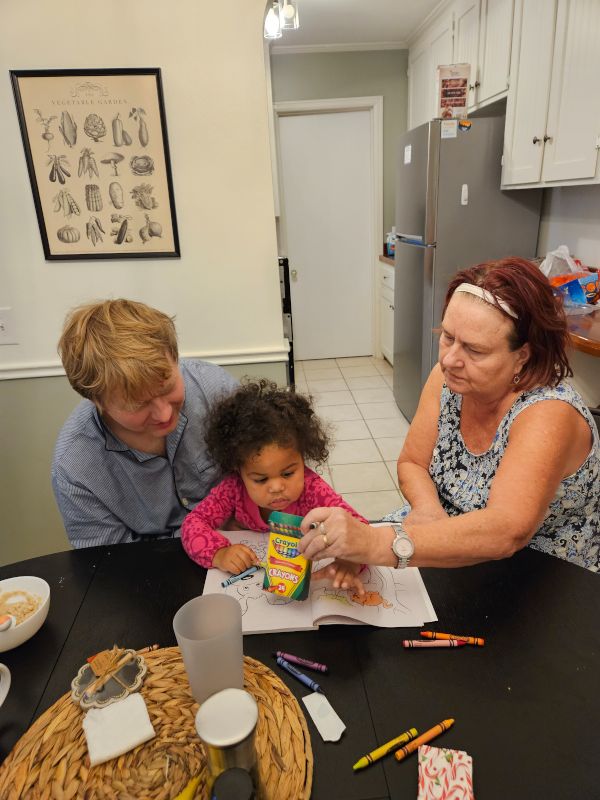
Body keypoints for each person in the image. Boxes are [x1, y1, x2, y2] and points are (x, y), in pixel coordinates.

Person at [297, 258, 599, 574]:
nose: (450, 359)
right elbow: (412, 463)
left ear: (523, 355)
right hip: (447, 536)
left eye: (475, 350)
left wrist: (376, 543)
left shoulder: (549, 413)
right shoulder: (448, 379)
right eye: (447, 336)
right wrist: (428, 511)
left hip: (539, 569)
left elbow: (506, 531)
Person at [52, 299, 238, 548]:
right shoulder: (76, 469)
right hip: (160, 572)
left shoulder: (216, 389)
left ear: (174, 357)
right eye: (137, 404)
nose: (163, 414)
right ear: (97, 401)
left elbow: (278, 465)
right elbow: (111, 564)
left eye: (169, 387)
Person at [181, 379, 368, 593]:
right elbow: (193, 522)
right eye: (260, 479)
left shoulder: (312, 489)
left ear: (303, 456)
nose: (277, 487)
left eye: (288, 473)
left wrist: (350, 561)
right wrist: (219, 554)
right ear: (238, 470)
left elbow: (359, 528)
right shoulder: (233, 488)